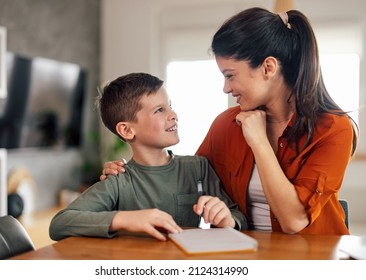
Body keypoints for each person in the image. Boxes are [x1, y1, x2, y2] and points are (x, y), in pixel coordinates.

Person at [100, 7, 358, 235]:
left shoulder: (334, 129)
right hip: (242, 254)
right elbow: (185, 180)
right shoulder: (226, 124)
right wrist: (129, 175)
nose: (225, 88)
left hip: (314, 257)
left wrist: (258, 141)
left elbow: (294, 221)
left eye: (230, 75)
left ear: (268, 68)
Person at [49, 72, 247, 242]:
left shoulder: (197, 168)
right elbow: (59, 224)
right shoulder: (119, 180)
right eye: (160, 110)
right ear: (126, 130)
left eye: (170, 106)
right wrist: (127, 219)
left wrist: (227, 219)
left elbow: (238, 216)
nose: (173, 115)